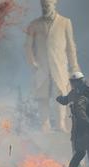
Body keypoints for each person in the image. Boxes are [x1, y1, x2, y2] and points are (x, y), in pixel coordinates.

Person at [25, 0, 80, 132]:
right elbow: (28, 47)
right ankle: (45, 124)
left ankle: (60, 124)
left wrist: (74, 66)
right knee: (42, 95)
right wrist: (32, 63)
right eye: (43, 6)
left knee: (60, 93)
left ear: (54, 5)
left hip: (59, 66)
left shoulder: (65, 22)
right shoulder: (34, 24)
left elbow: (71, 47)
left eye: (47, 5)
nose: (45, 8)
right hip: (41, 67)